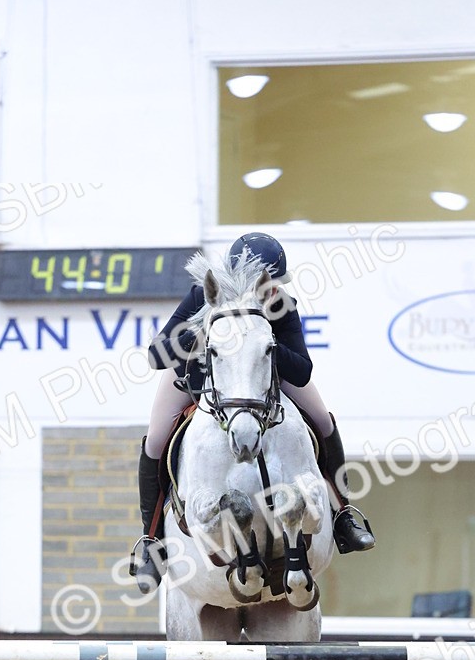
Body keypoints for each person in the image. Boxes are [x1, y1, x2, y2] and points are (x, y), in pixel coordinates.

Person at [130, 232, 376, 594]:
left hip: (263, 378)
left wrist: (265, 341)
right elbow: (156, 355)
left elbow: (302, 371)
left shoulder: (282, 305)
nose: (271, 291)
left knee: (322, 421)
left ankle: (343, 515)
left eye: (274, 284)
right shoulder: (203, 296)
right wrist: (203, 332)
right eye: (265, 283)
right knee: (155, 441)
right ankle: (151, 541)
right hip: (199, 375)